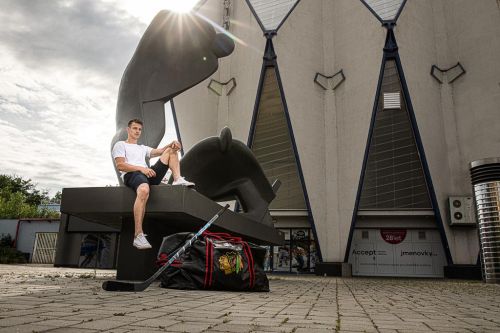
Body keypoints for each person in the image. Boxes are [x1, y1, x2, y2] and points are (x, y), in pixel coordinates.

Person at [112, 118, 195, 249]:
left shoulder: (142, 148)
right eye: (135, 128)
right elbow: (121, 165)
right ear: (128, 130)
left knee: (171, 151)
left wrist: (172, 143)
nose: (137, 131)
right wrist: (141, 168)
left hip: (147, 174)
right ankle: (138, 235)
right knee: (144, 190)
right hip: (133, 174)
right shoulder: (120, 145)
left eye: (139, 129)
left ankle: (178, 179)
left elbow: (161, 151)